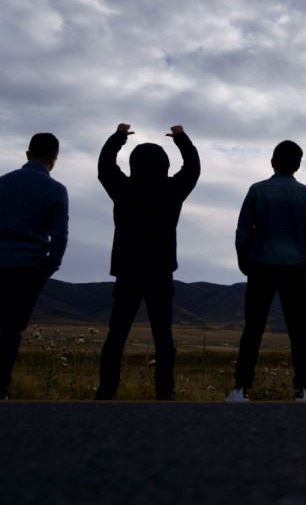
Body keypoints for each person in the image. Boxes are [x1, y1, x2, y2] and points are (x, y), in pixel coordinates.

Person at [95, 123, 200, 401]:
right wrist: (181, 138)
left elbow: (105, 166)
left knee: (117, 336)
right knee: (163, 337)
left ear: (133, 165)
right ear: (165, 165)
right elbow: (193, 168)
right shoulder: (172, 190)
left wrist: (118, 137)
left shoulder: (124, 189)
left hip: (128, 271)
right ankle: (165, 394)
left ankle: (106, 392)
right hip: (160, 272)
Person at [227, 140, 306, 403]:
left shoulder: (257, 190)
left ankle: (241, 388)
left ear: (272, 162)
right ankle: (302, 389)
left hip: (261, 266)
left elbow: (243, 231)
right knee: (298, 330)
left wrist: (245, 262)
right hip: (295, 268)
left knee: (253, 328)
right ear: (298, 165)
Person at [0, 133, 69, 399]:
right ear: (54, 158)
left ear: (27, 154)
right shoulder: (55, 190)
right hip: (28, 268)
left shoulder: (3, 183)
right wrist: (49, 267)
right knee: (11, 329)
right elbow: (60, 236)